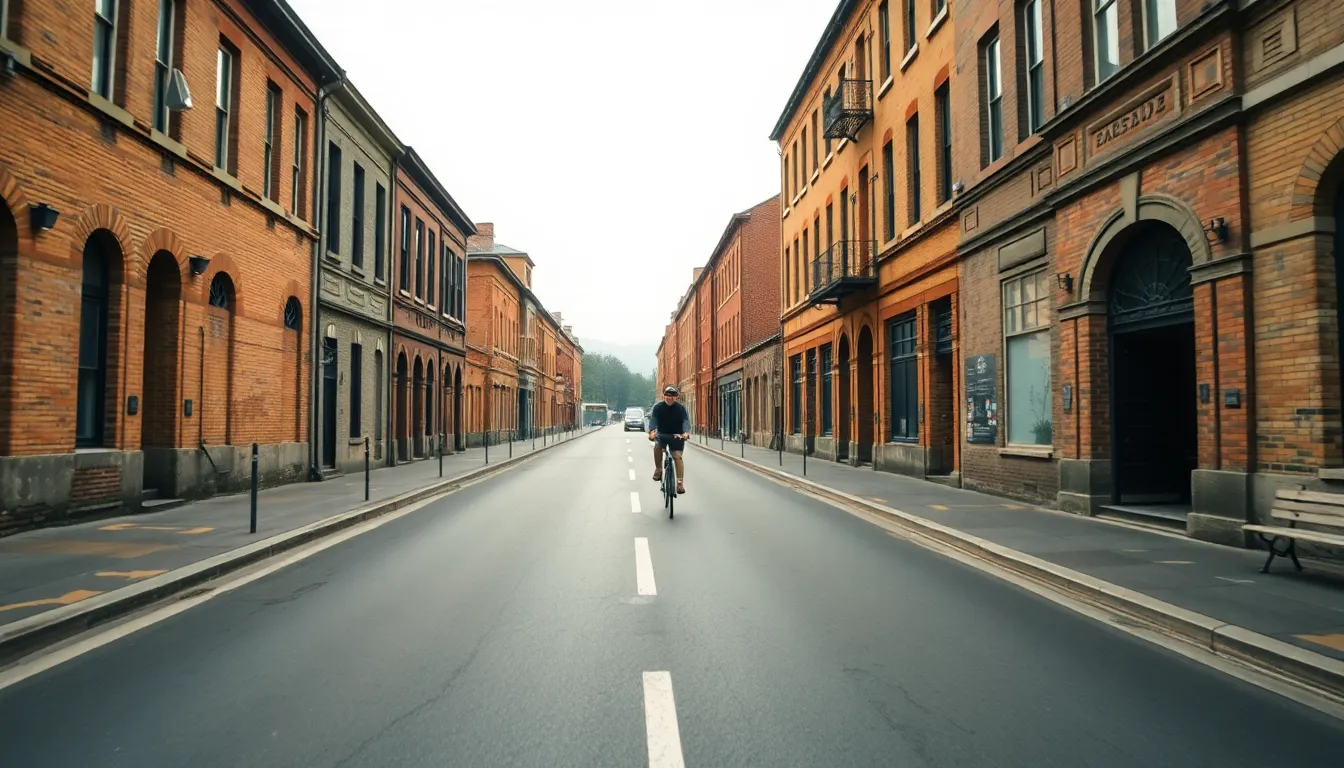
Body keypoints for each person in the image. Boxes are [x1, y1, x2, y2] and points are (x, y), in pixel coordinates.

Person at [647, 385, 690, 494]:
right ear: (663, 396)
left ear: (676, 397)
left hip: (677, 436)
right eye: (667, 396)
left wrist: (685, 432)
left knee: (677, 456)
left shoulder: (680, 408)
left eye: (673, 396)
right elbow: (654, 420)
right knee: (657, 447)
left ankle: (680, 483)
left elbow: (685, 421)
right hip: (662, 435)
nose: (670, 398)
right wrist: (652, 431)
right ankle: (658, 469)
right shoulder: (658, 407)